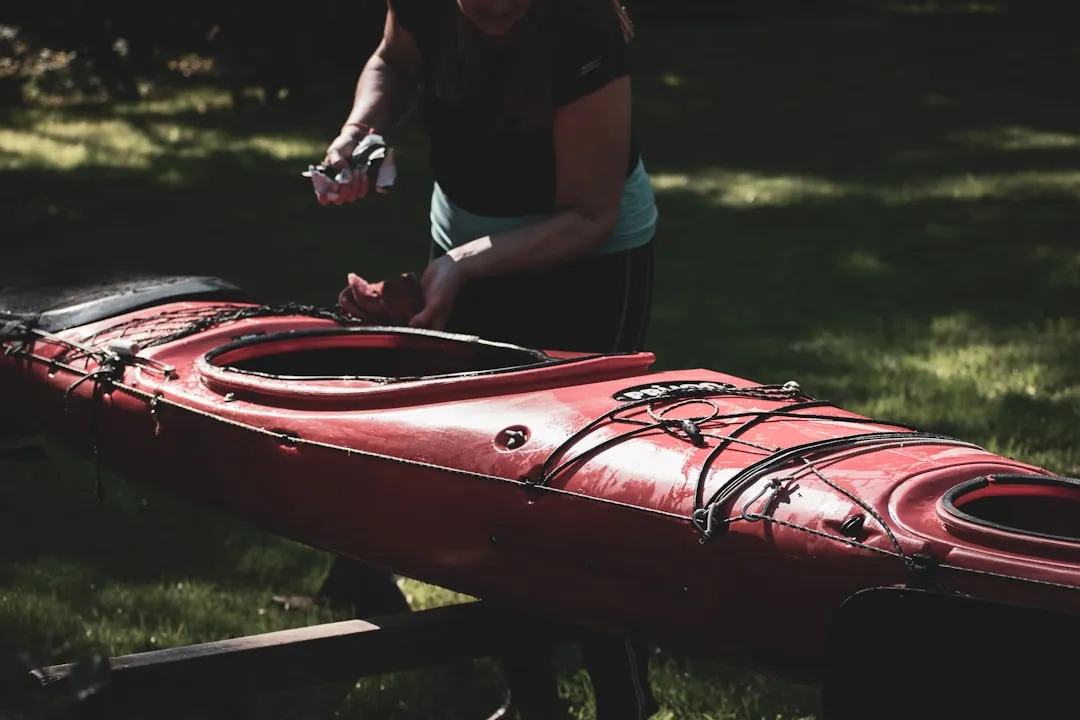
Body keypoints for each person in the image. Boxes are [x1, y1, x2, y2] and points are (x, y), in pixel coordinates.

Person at [310, 1, 660, 718]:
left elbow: (589, 214)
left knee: (587, 489)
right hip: (465, 245)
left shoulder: (583, 28)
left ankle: (623, 699)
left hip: (589, 265)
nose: (497, 4)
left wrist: (464, 268)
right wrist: (360, 132)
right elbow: (396, 61)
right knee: (489, 482)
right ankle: (531, 696)